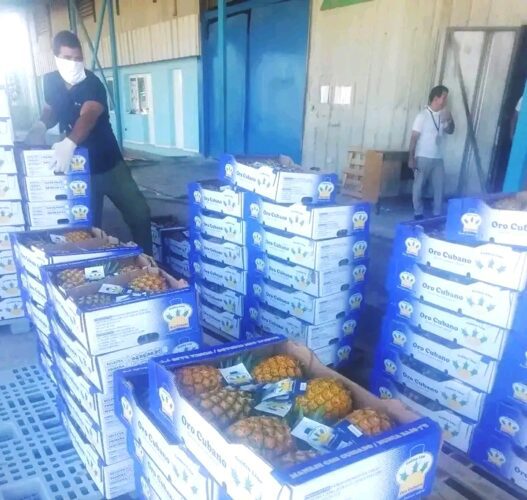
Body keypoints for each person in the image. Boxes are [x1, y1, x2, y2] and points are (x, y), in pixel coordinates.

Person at [25, 31, 152, 254]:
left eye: (78, 58)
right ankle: (92, 265)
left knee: (139, 213)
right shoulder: (50, 81)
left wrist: (69, 142)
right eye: (67, 58)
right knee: (87, 227)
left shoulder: (92, 83)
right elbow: (51, 108)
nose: (73, 64)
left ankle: (148, 260)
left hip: (109, 164)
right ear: (56, 57)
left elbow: (89, 115)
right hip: (79, 169)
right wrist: (41, 125)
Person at [409, 85, 455, 220]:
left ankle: (437, 213)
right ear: (435, 98)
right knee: (419, 186)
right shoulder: (422, 116)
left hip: (438, 157)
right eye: (444, 97)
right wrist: (411, 157)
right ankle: (418, 213)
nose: (445, 100)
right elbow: (414, 137)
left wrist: (449, 120)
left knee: (439, 187)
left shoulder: (443, 114)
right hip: (423, 156)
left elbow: (450, 131)